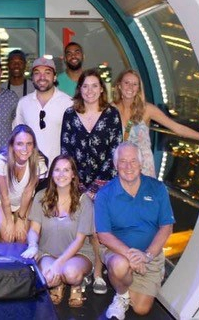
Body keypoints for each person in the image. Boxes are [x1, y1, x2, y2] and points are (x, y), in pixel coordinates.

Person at [96, 142, 175, 320]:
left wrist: (146, 255)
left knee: (141, 309)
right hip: (117, 252)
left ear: (141, 164)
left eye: (133, 161)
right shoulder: (105, 194)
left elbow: (167, 227)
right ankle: (122, 294)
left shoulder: (158, 189)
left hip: (150, 254)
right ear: (116, 165)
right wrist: (130, 255)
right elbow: (104, 235)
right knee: (119, 265)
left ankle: (125, 280)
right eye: (123, 161)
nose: (128, 166)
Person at [61, 68, 122, 295]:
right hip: (76, 182)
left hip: (103, 183)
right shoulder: (70, 114)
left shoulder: (111, 115)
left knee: (97, 230)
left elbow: (114, 152)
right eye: (85, 86)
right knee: (78, 228)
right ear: (80, 89)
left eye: (94, 86)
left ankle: (97, 272)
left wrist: (96, 187)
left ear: (101, 89)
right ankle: (82, 269)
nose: (90, 91)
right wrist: (77, 185)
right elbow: (66, 150)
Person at [21, 154, 94, 308]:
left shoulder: (84, 201)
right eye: (57, 170)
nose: (61, 175)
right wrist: (33, 245)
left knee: (71, 273)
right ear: (51, 174)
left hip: (78, 254)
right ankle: (58, 284)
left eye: (66, 170)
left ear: (73, 174)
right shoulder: (41, 197)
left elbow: (79, 240)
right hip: (48, 252)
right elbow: (34, 229)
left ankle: (76, 284)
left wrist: (58, 265)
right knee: (48, 278)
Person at [113, 69, 199, 177]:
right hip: (120, 168)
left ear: (139, 89)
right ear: (119, 85)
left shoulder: (147, 110)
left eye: (135, 84)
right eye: (126, 83)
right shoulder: (110, 110)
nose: (130, 87)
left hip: (143, 169)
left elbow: (177, 128)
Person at [0, 124, 47, 243]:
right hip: (0, 199)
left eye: (29, 144)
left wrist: (20, 218)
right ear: (12, 145)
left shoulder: (38, 162)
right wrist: (9, 222)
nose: (24, 149)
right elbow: (4, 196)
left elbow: (28, 192)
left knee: (22, 236)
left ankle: (21, 261)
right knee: (7, 237)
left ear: (33, 145)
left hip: (22, 199)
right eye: (20, 144)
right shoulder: (0, 161)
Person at [14, 56, 73, 166]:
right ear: (32, 77)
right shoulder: (23, 103)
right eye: (37, 73)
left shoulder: (68, 103)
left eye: (47, 73)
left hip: (59, 172)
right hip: (30, 170)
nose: (42, 77)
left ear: (55, 77)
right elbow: (17, 137)